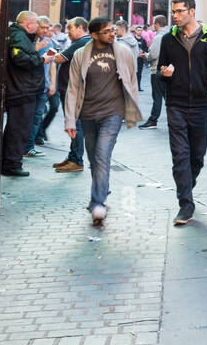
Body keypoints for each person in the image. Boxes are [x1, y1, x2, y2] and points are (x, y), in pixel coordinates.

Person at [156, 0, 207, 226]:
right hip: (175, 104)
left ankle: (186, 184)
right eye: (173, 12)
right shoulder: (169, 39)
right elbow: (161, 69)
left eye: (179, 11)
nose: (175, 15)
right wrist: (163, 73)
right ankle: (185, 203)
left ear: (192, 11)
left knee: (197, 156)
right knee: (180, 156)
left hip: (200, 105)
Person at [63, 18, 141, 223]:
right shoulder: (80, 55)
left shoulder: (122, 51)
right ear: (94, 34)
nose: (112, 34)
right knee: (93, 158)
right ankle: (102, 187)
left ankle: (98, 202)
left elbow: (132, 80)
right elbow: (73, 89)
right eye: (106, 31)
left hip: (112, 113)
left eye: (112, 30)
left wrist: (130, 110)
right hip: (87, 114)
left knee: (101, 155)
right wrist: (70, 120)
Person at [1, 12, 55, 177]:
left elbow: (22, 54)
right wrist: (41, 59)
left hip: (23, 89)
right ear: (29, 24)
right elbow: (19, 58)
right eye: (37, 25)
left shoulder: (20, 35)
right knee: (18, 128)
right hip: (21, 90)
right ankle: (11, 164)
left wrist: (35, 50)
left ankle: (10, 161)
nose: (38, 28)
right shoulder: (18, 35)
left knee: (17, 128)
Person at [52, 18, 91, 171]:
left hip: (72, 89)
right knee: (74, 123)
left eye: (70, 28)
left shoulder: (81, 43)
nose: (67, 31)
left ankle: (76, 160)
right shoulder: (83, 42)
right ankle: (73, 156)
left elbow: (59, 58)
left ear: (80, 28)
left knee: (75, 124)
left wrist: (49, 55)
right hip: (72, 88)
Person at [26, 16, 54, 157]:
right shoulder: (29, 40)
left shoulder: (48, 42)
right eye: (43, 27)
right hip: (29, 86)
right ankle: (23, 146)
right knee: (26, 117)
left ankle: (29, 146)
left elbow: (51, 64)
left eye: (47, 28)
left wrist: (52, 84)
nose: (45, 30)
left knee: (37, 117)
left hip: (43, 86)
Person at [138, 16, 169, 130]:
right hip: (167, 70)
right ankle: (176, 117)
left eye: (153, 23)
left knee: (157, 96)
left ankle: (153, 120)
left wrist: (146, 55)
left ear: (157, 24)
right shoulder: (170, 35)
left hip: (157, 70)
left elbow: (153, 55)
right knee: (167, 96)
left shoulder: (159, 37)